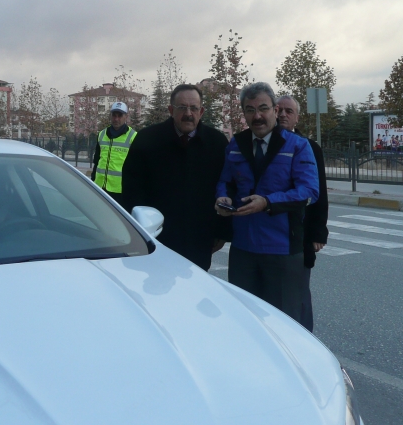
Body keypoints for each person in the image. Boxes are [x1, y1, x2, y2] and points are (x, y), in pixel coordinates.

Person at [215, 82, 319, 321]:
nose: (257, 116)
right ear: (244, 113)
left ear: (275, 109)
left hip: (282, 250)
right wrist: (221, 197)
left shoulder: (298, 146)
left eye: (263, 108)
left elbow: (310, 191)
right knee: (246, 319)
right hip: (243, 250)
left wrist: (268, 202)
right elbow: (225, 181)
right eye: (250, 110)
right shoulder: (236, 145)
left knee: (284, 322)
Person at [122, 84, 229, 271]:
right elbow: (132, 190)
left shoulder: (217, 143)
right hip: (157, 240)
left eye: (194, 108)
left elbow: (225, 187)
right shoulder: (147, 140)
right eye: (182, 108)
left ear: (201, 111)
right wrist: (137, 233)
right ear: (171, 110)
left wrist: (221, 231)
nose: (189, 113)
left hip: (199, 240)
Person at [275, 95, 328, 332]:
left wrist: (318, 232)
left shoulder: (308, 147)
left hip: (301, 230)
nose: (283, 115)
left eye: (289, 111)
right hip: (271, 230)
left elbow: (320, 193)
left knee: (297, 294)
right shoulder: (263, 143)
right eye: (279, 110)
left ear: (296, 117)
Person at [90, 102, 137, 207]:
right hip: (100, 187)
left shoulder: (133, 137)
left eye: (120, 115)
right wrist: (93, 180)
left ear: (126, 117)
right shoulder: (101, 134)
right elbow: (97, 161)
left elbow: (137, 167)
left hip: (120, 190)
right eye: (114, 115)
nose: (116, 119)